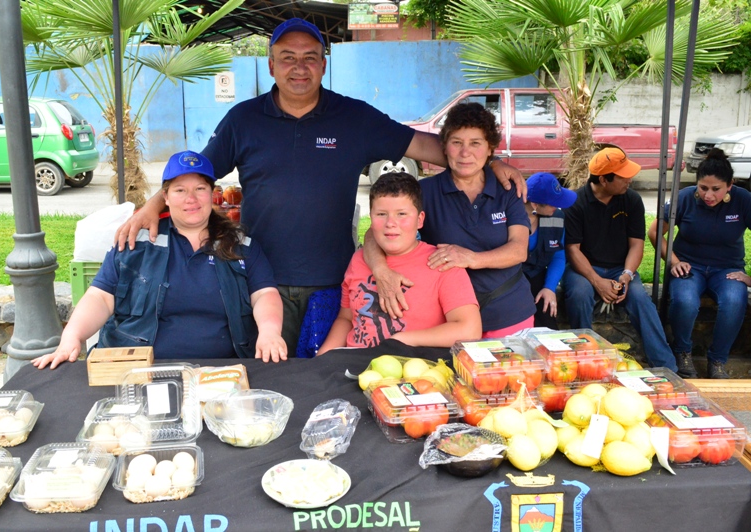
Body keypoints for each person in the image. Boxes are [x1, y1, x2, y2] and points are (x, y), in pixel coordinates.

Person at [114, 18, 526, 357]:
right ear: (271, 65)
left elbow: (429, 146)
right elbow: (197, 177)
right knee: (268, 369)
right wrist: (152, 206)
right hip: (261, 279)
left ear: (324, 66)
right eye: (288, 58)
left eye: (310, 58)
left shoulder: (353, 117)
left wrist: (489, 160)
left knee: (324, 375)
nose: (299, 67)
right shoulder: (243, 120)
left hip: (331, 281)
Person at [33, 151, 286, 370]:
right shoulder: (135, 242)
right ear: (165, 197)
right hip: (140, 369)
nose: (191, 198)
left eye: (200, 189)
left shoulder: (242, 245)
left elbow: (264, 294)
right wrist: (72, 338)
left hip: (222, 370)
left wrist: (270, 332)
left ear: (212, 194)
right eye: (180, 190)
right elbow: (100, 297)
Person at [367, 103, 535, 337]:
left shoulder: (507, 190)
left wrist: (470, 258)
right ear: (444, 148)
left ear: (490, 149)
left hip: (508, 311)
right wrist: (380, 270)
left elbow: (519, 250)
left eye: (475, 143)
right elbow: (376, 231)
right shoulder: (424, 191)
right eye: (457, 143)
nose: (465, 153)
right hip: (446, 319)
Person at [317, 172, 481, 353]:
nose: (390, 223)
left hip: (412, 370)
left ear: (419, 220)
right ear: (370, 217)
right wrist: (323, 358)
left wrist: (401, 340)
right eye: (381, 214)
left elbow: (469, 330)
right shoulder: (359, 259)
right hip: (354, 363)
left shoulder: (441, 263)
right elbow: (346, 319)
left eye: (401, 214)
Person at [563, 147, 678, 372]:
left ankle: (667, 368)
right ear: (604, 179)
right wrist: (597, 281)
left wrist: (626, 275)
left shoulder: (631, 199)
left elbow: (637, 244)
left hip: (620, 268)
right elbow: (573, 250)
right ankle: (584, 364)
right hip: (584, 268)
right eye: (624, 177)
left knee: (641, 300)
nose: (630, 180)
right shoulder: (575, 202)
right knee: (579, 294)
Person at [648, 148, 751, 379]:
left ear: (729, 186)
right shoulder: (684, 198)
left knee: (735, 300)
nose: (708, 195)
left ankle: (718, 360)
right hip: (689, 266)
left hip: (728, 269)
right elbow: (655, 232)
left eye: (716, 189)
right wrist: (674, 262)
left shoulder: (743, 200)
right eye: (703, 188)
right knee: (684, 301)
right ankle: (682, 352)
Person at [522, 172, 577, 329]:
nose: (558, 207)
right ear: (535, 205)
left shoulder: (557, 217)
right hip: (509, 281)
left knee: (548, 325)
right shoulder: (507, 217)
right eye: (553, 203)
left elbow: (558, 257)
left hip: (537, 278)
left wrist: (550, 287)